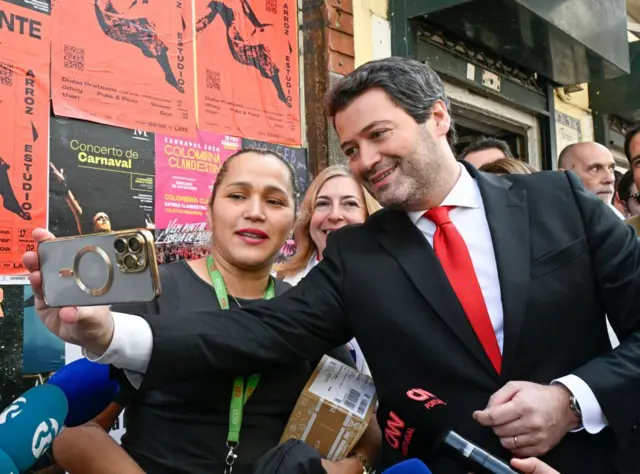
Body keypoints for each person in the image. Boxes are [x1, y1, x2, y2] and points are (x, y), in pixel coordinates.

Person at [25, 58, 640, 474]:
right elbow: (258, 330)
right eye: (350, 149)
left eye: (378, 135)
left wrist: (570, 398)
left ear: (438, 118)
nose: (365, 161)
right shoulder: (359, 255)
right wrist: (106, 334)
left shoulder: (561, 202)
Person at [31, 149, 381, 474]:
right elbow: (76, 433)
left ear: (293, 220)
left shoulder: (309, 308)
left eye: (274, 201)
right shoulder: (156, 295)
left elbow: (368, 427)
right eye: (237, 195)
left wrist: (352, 466)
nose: (255, 212)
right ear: (210, 207)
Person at [276, 165, 381, 374]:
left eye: (350, 204)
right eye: (322, 204)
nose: (334, 215)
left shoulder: (400, 285)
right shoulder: (279, 284)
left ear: (370, 215)